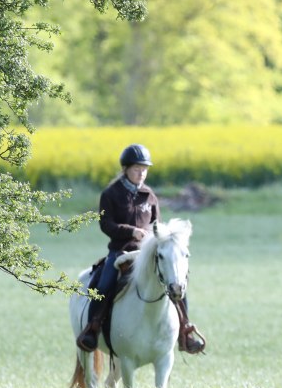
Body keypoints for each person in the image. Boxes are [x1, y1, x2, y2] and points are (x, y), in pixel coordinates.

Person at [76, 144, 205, 354]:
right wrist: (131, 232)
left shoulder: (149, 195)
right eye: (137, 169)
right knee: (103, 285)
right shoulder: (111, 194)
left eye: (144, 169)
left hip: (148, 255)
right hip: (120, 252)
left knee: (178, 282)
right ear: (125, 169)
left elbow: (159, 226)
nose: (141, 173)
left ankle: (185, 331)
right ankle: (93, 328)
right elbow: (106, 224)